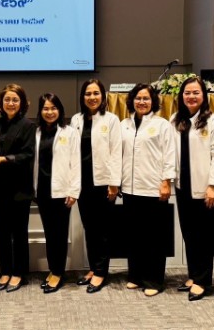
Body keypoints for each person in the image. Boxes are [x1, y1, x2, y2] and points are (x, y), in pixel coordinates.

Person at [170, 77, 214, 301]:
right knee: (189, 234)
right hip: (183, 186)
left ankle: (202, 281)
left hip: (205, 188)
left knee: (204, 236)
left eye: (196, 93)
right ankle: (194, 275)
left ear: (204, 96)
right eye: (187, 93)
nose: (191, 97)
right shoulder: (175, 119)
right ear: (181, 96)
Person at [120, 83, 175, 297]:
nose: (141, 102)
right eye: (138, 98)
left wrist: (166, 181)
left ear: (153, 101)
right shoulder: (124, 125)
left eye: (146, 98)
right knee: (134, 235)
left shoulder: (162, 125)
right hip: (130, 188)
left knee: (154, 238)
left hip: (154, 189)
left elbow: (169, 155)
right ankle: (136, 276)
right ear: (132, 100)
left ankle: (154, 280)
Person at [69, 79, 121, 293]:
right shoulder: (76, 119)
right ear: (82, 97)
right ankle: (94, 268)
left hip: (103, 183)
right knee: (89, 228)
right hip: (83, 183)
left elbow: (116, 152)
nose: (92, 97)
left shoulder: (112, 120)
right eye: (88, 94)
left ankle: (101, 272)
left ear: (103, 96)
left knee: (102, 230)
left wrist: (114, 183)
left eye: (96, 93)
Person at [0, 83, 36, 293]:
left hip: (19, 189)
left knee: (19, 233)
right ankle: (5, 270)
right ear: (0, 103)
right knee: (2, 233)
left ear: (22, 103)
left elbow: (28, 154)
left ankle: (19, 273)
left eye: (15, 100)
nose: (11, 103)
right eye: (7, 99)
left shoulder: (28, 125)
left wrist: (6, 159)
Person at [33, 93, 81, 294]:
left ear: (60, 110)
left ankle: (58, 273)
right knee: (49, 234)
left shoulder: (69, 132)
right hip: (42, 191)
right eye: (45, 108)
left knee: (59, 235)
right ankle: (54, 269)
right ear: (40, 111)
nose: (50, 112)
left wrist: (74, 190)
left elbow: (75, 162)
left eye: (53, 108)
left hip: (62, 192)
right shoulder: (36, 132)